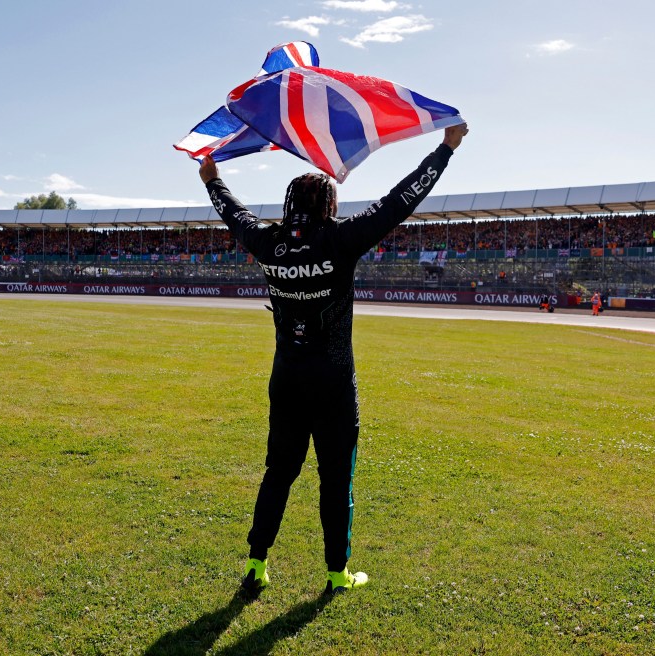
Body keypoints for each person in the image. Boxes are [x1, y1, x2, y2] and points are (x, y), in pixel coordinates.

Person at [199, 124, 468, 596]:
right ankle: (335, 573)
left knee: (278, 473)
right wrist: (444, 150)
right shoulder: (340, 241)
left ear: (288, 205)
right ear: (327, 205)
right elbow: (398, 201)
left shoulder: (268, 244)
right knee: (335, 478)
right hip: (334, 382)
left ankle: (256, 566)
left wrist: (211, 178)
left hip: (286, 379)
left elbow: (233, 214)